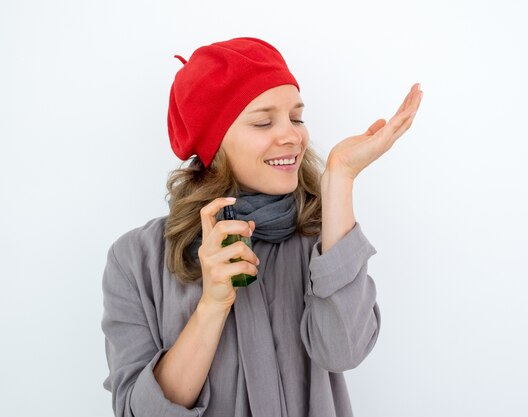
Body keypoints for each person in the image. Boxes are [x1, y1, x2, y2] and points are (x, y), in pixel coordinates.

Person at [101, 37, 423, 417]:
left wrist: (340, 180)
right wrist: (211, 306)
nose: (292, 135)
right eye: (263, 121)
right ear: (214, 143)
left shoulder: (324, 239)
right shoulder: (136, 259)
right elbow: (138, 412)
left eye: (297, 117)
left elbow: (343, 351)